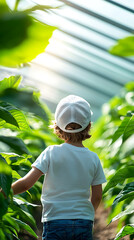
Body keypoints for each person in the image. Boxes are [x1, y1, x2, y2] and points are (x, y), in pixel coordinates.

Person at [11, 95, 106, 240]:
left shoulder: (51, 153)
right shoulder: (93, 158)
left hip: (55, 220)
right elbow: (98, 195)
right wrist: (88, 215)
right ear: (88, 126)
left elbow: (26, 184)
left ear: (57, 126)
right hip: (83, 222)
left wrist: (4, 192)